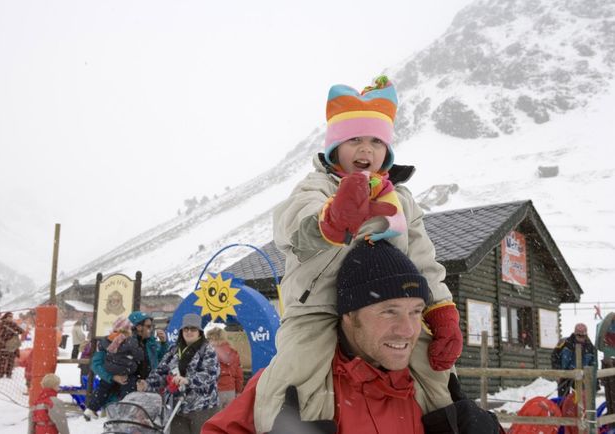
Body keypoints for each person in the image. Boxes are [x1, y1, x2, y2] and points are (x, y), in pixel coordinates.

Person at [254, 76, 462, 431]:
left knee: (433, 360)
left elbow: (424, 261)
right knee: (299, 366)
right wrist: (330, 220)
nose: (366, 150)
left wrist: (440, 310)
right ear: (335, 147)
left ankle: (452, 421)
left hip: (388, 305)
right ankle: (289, 427)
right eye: (354, 140)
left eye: (376, 142)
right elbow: (292, 227)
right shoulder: (318, 187)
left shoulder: (402, 200)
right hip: (318, 303)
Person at [204, 240, 500, 433]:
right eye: (389, 311)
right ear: (349, 314)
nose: (408, 329)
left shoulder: (429, 387)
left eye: (415, 312)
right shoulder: (292, 381)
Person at [143, 313, 219, 434]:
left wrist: (188, 380)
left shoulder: (207, 350)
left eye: (193, 329)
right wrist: (148, 384)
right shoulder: (173, 349)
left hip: (202, 408)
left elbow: (210, 375)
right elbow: (162, 371)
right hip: (176, 407)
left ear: (199, 331)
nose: (189, 332)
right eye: (186, 329)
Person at [84, 316, 144, 420]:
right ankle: (125, 408)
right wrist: (112, 377)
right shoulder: (131, 341)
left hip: (114, 372)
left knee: (103, 388)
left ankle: (92, 408)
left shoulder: (107, 340)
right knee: (126, 391)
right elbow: (96, 364)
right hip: (125, 376)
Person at [554, 323, 598, 397]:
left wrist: (594, 381)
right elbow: (555, 357)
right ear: (575, 334)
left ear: (586, 335)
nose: (581, 338)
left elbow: (594, 364)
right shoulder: (564, 343)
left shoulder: (591, 348)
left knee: (583, 398)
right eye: (578, 335)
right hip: (565, 374)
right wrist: (557, 371)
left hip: (582, 376)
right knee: (562, 399)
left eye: (583, 336)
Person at [206, 327, 244, 409]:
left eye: (209, 339)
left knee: (215, 418)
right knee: (228, 418)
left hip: (216, 390)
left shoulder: (210, 353)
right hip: (230, 390)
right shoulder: (233, 352)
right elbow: (239, 374)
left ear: (213, 338)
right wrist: (238, 391)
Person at [0, 311, 25, 378]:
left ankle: (8, 374)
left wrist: (15, 332)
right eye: (9, 316)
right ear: (5, 317)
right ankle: (0, 374)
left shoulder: (13, 324)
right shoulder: (1, 324)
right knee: (2, 361)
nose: (11, 318)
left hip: (10, 346)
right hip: (2, 345)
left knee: (10, 361)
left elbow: (22, 331)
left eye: (12, 316)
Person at [596, 312, 615, 430]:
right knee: (611, 398)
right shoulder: (606, 325)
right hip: (609, 363)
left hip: (609, 363)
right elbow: (601, 346)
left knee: (611, 398)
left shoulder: (605, 326)